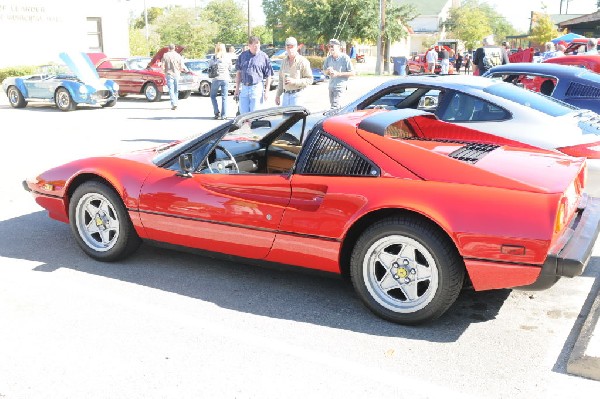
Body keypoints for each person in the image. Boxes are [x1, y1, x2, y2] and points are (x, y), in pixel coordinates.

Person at [234, 36, 273, 114]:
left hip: (256, 88)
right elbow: (239, 72)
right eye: (254, 45)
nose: (257, 46)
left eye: (258, 44)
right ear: (249, 45)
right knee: (243, 115)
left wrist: (267, 91)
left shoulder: (263, 56)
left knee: (254, 115)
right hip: (244, 88)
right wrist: (237, 88)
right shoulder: (243, 55)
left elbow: (269, 75)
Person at [275, 37, 313, 107]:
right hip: (285, 96)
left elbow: (310, 80)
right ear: (285, 48)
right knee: (285, 118)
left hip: (297, 95)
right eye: (288, 47)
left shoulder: (303, 61)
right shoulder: (283, 61)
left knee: (297, 117)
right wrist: (278, 95)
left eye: (292, 47)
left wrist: (295, 81)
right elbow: (281, 80)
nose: (290, 49)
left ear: (296, 47)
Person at [322, 38, 355, 109]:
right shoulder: (328, 59)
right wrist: (327, 71)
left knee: (335, 108)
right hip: (331, 87)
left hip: (340, 87)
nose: (330, 48)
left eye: (332, 46)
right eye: (329, 46)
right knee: (334, 108)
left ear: (338, 47)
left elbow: (352, 73)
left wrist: (338, 74)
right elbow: (324, 72)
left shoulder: (345, 58)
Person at [209, 43, 232, 120]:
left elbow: (210, 67)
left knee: (212, 96)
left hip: (216, 79)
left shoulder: (214, 58)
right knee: (224, 97)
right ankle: (224, 115)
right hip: (225, 78)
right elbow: (230, 68)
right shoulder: (228, 58)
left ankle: (216, 112)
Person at [162, 43, 188, 110]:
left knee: (171, 89)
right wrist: (185, 70)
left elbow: (162, 66)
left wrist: (164, 71)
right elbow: (181, 65)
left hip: (169, 74)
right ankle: (176, 103)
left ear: (168, 48)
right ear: (174, 48)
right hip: (176, 74)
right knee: (176, 90)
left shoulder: (165, 55)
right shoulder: (178, 55)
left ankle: (174, 103)